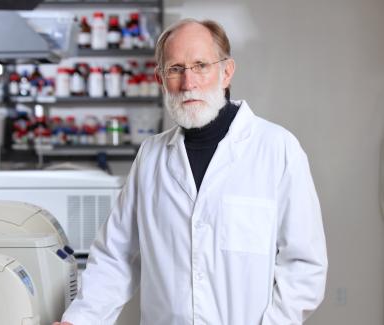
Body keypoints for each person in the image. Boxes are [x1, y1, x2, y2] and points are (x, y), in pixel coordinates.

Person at [54, 18, 328, 325]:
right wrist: (79, 320)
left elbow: (304, 266)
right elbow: (115, 258)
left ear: (226, 72)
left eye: (200, 65)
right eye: (175, 69)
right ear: (160, 79)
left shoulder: (277, 149)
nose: (188, 83)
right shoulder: (150, 157)